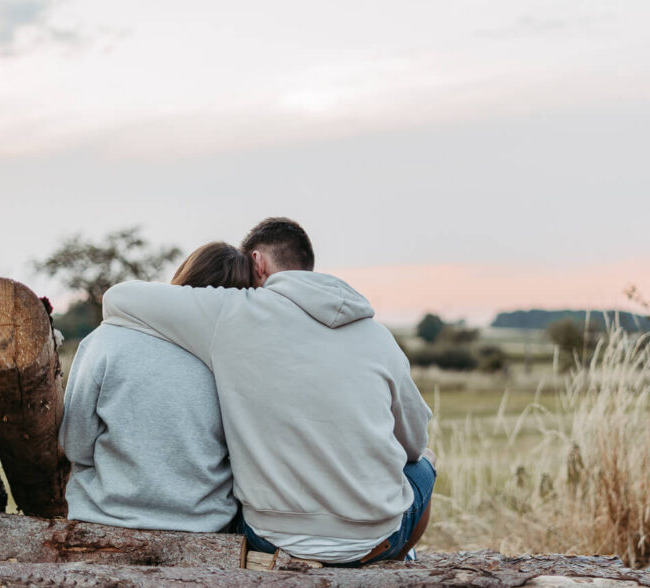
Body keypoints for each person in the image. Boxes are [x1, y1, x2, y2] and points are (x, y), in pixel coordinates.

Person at [102, 217, 435, 564]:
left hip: (270, 539)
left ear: (258, 262)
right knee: (426, 464)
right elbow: (413, 443)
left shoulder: (234, 315)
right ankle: (397, 558)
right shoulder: (378, 336)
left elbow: (118, 297)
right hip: (373, 539)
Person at [59, 242, 251, 532]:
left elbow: (75, 444)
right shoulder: (236, 360)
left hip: (105, 515)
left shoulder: (105, 340)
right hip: (203, 524)